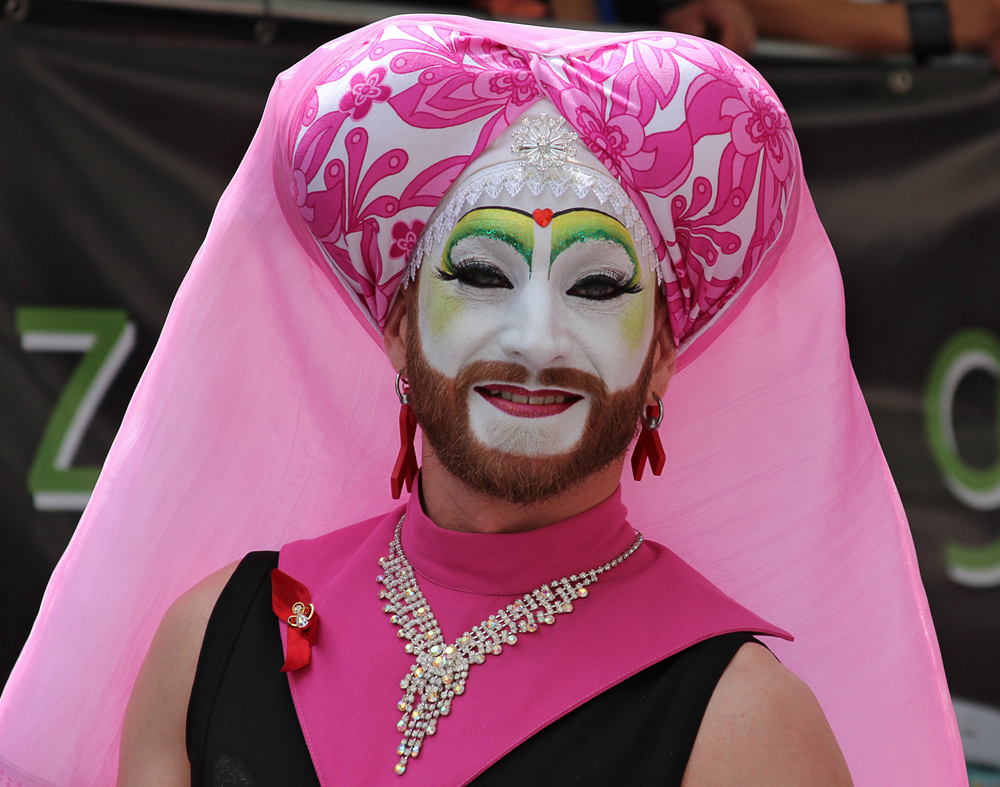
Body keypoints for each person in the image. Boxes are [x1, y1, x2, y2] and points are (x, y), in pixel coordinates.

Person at [0, 15, 966, 787]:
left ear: (663, 355)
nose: (536, 340)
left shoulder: (741, 723)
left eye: (595, 287)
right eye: (481, 274)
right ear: (396, 328)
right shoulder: (215, 639)